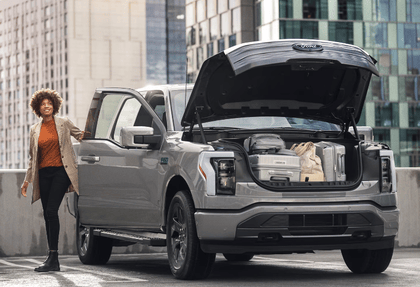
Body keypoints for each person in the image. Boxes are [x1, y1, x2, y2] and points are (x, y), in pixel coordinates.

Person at [21, 88, 84, 272]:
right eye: (43, 104)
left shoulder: (63, 123)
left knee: (51, 210)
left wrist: (96, 137)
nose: (46, 106)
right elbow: (32, 157)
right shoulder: (34, 129)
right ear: (38, 108)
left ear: (54, 105)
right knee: (48, 216)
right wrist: (27, 181)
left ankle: (54, 257)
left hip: (61, 172)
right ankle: (52, 258)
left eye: (49, 103)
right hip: (44, 174)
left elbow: (79, 135)